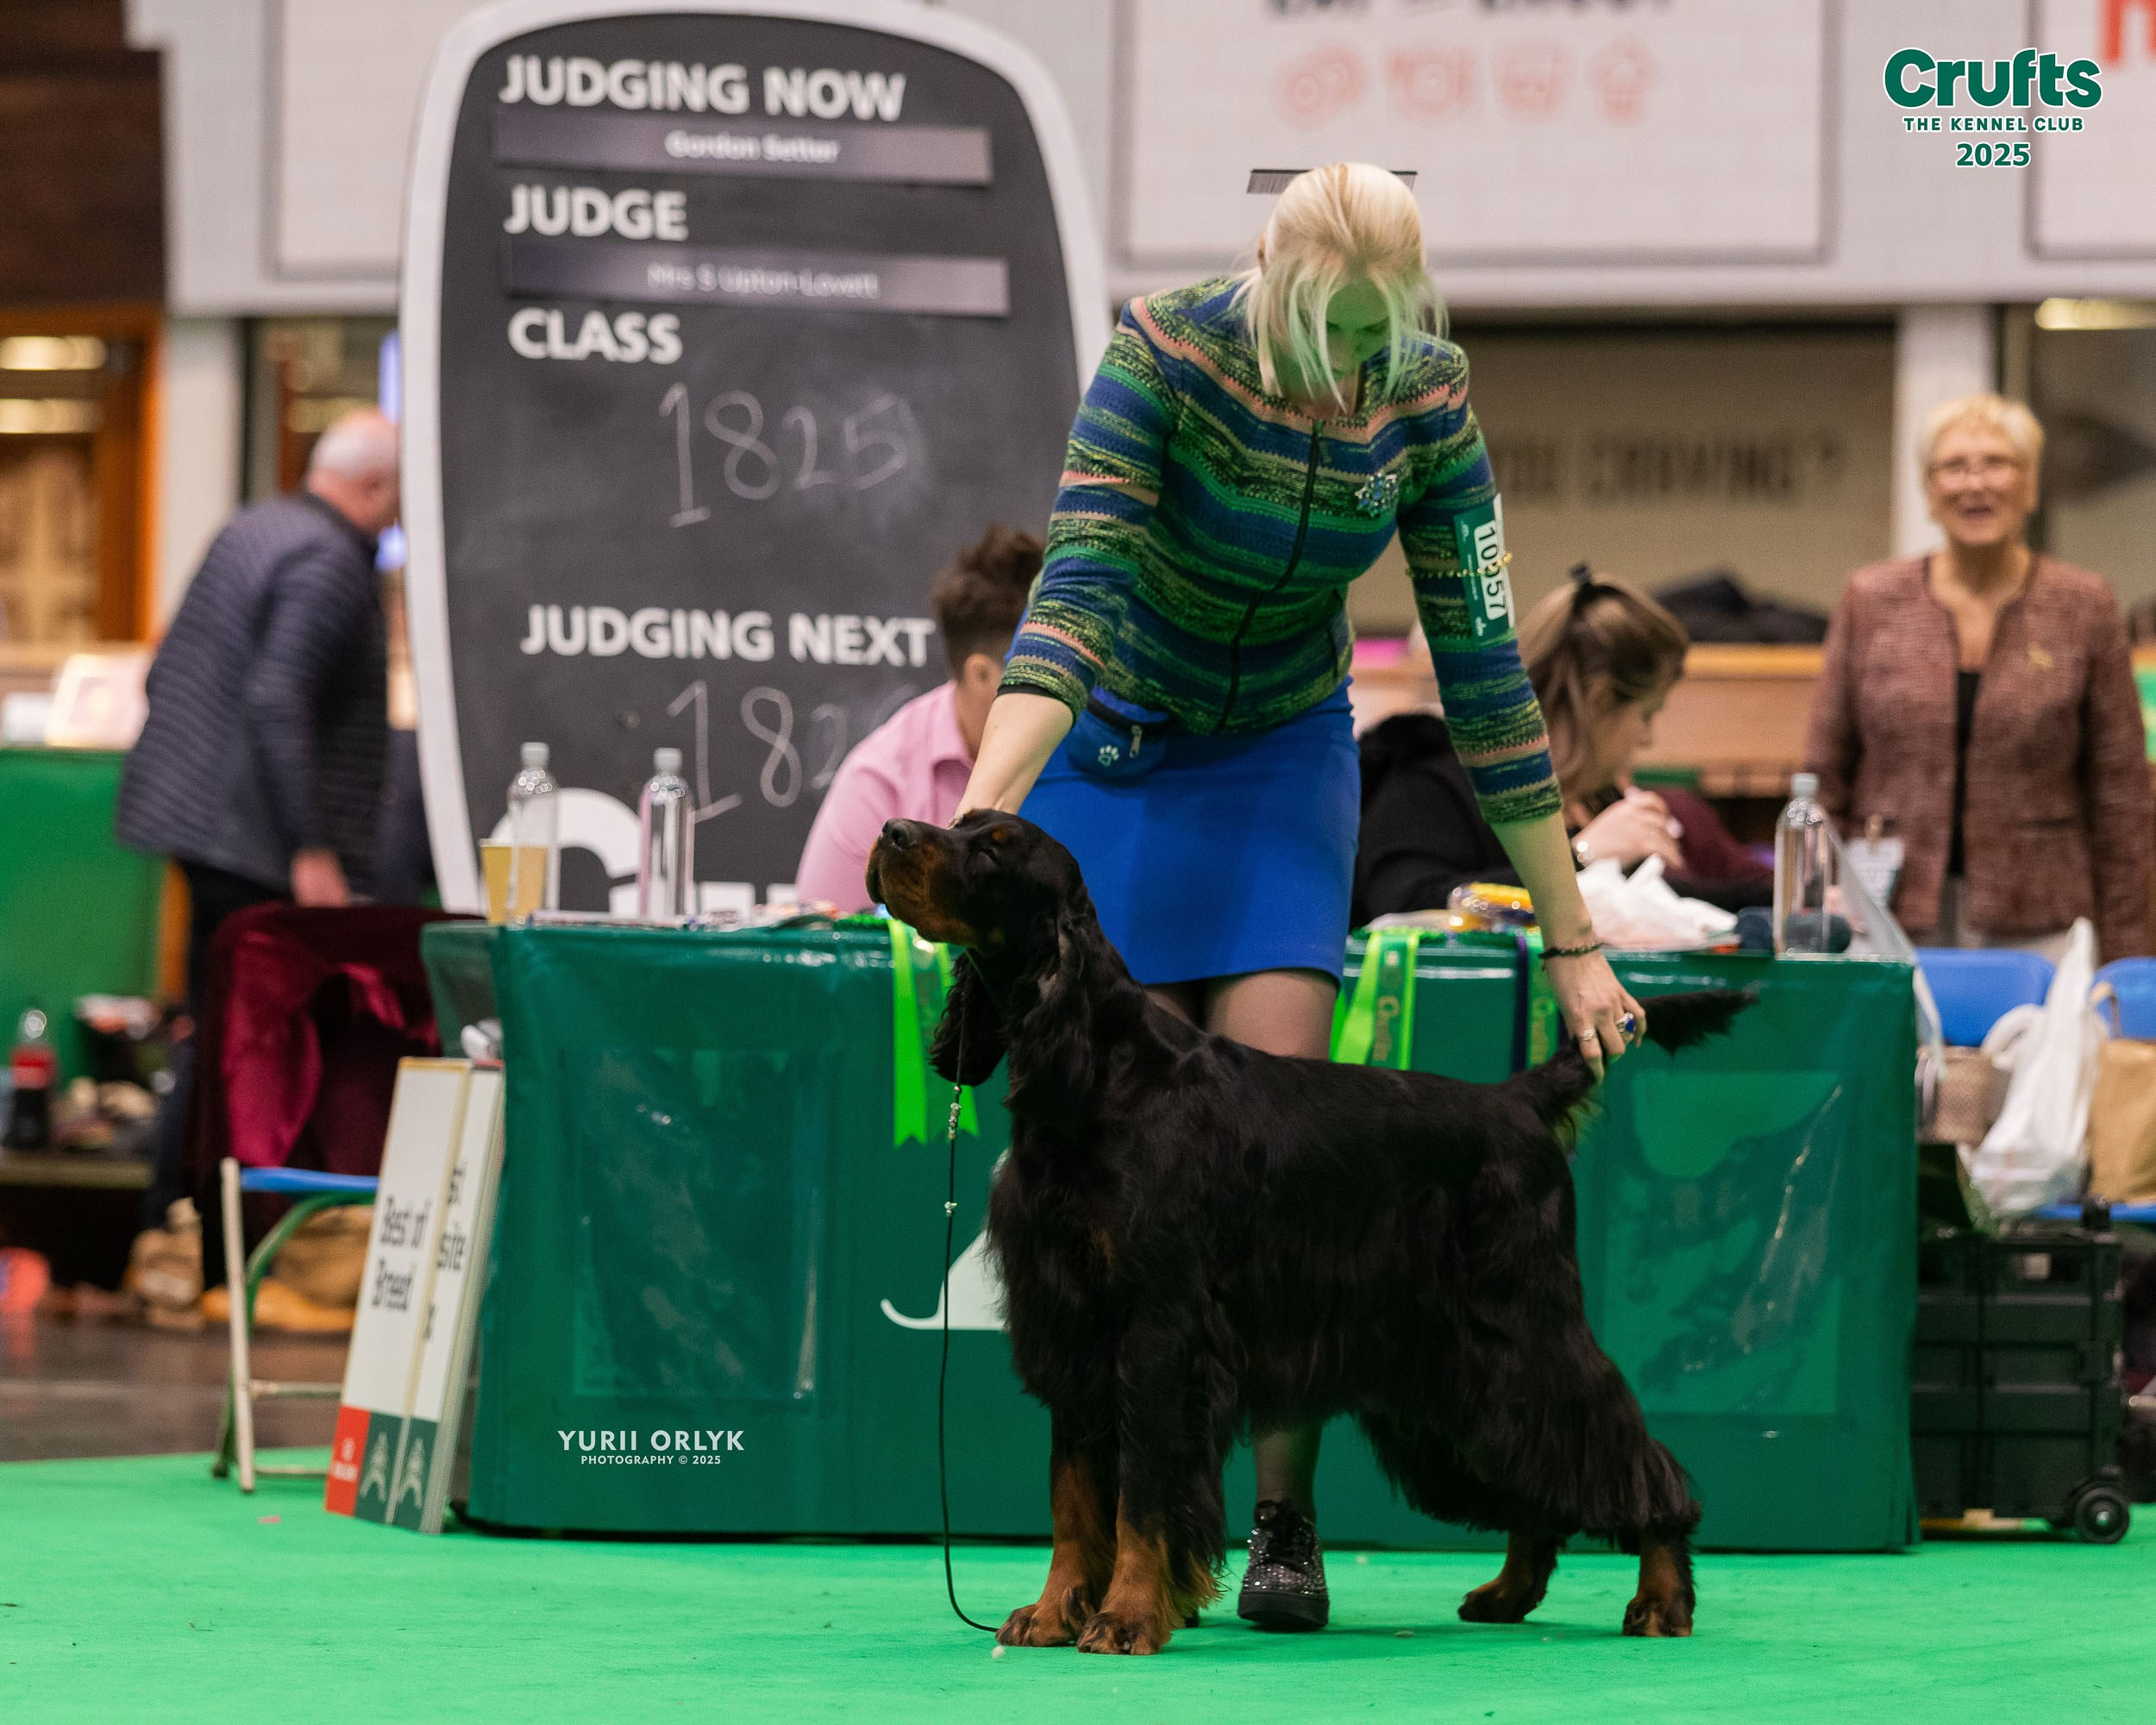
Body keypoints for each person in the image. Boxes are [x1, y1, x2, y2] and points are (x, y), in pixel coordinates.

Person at [955, 164, 1644, 1631]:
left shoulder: (1430, 401)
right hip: (1115, 744)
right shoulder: (1163, 353)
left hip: (1280, 755)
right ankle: (1096, 1548)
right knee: (1096, 1168)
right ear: (1266, 283)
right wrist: (986, 811)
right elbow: (1074, 596)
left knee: (1279, 1158)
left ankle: (1279, 1525)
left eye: (1374, 336)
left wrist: (1574, 940)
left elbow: (1484, 670)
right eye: (1325, 334)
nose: (1348, 370)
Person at [116, 408, 400, 1242]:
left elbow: (167, 671)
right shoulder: (329, 560)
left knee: (209, 1031)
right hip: (254, 841)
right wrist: (310, 844)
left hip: (199, 825)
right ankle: (198, 1231)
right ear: (374, 486)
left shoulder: (252, 528)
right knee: (237, 1045)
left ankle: (177, 1227)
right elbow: (278, 698)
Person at [1803, 392, 2151, 963]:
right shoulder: (1870, 599)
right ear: (1928, 491)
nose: (1975, 484)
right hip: (1885, 911)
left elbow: (2121, 794)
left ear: (2031, 485)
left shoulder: (2085, 604)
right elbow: (1823, 772)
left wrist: (2128, 958)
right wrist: (1817, 903)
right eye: (1954, 467)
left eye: (1997, 463)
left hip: (2044, 919)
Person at [1356, 568, 1773, 925]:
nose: (1646, 737)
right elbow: (1404, 903)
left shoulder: (1598, 802)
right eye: (1646, 714)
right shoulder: (1430, 776)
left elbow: (1677, 902)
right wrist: (1582, 856)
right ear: (1600, 701)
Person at [794, 525, 1040, 913]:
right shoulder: (879, 782)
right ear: (982, 674)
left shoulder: (1103, 758)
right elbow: (825, 939)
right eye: (1051, 672)